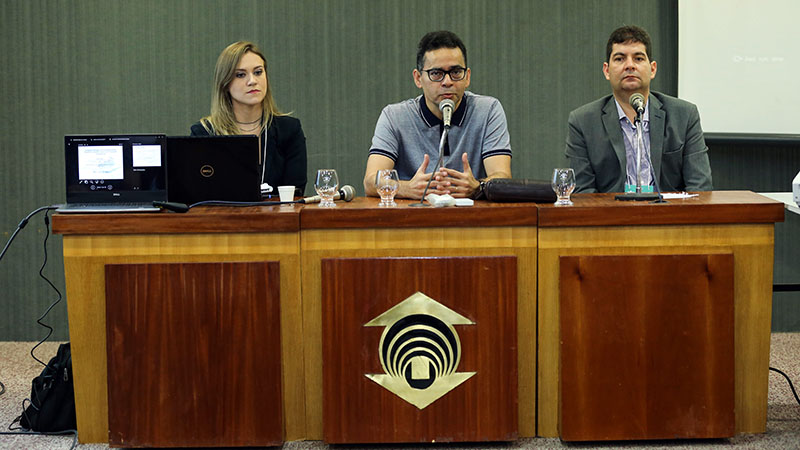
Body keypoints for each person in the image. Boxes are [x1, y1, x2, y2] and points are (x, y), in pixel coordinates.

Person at [364, 30, 512, 199]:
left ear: (467, 77)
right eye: (436, 74)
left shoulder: (488, 110)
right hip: (413, 218)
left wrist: (478, 187)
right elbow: (370, 181)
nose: (447, 82)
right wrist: (408, 188)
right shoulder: (394, 116)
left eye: (456, 72)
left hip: (470, 218)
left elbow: (502, 177)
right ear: (418, 78)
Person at [565, 25, 712, 193]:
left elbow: (700, 187)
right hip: (611, 216)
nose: (630, 65)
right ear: (607, 70)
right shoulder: (583, 121)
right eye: (620, 59)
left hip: (668, 215)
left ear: (653, 69)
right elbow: (582, 192)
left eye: (639, 58)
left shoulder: (684, 115)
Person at [191, 41, 307, 196]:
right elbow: (197, 194)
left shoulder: (289, 129)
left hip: (277, 218)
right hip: (221, 219)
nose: (252, 81)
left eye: (258, 72)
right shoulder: (204, 133)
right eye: (240, 75)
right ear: (225, 83)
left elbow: (295, 192)